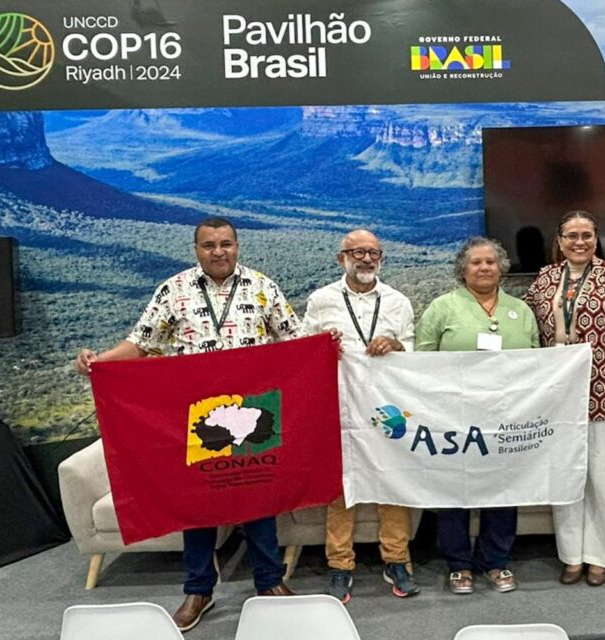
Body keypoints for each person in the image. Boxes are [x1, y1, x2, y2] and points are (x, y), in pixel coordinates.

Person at [74, 217, 301, 632]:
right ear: (196, 250)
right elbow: (141, 344)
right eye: (209, 245)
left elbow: (296, 340)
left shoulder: (263, 287)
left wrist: (328, 348)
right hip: (197, 414)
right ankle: (198, 590)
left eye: (226, 244)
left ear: (238, 246)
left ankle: (269, 581)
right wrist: (99, 362)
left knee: (258, 496)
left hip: (252, 411)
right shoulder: (173, 290)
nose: (219, 252)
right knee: (197, 502)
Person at [525, 210, 605, 587]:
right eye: (571, 236)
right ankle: (572, 554)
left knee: (602, 480)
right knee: (565, 479)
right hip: (557, 398)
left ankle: (603, 555)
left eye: (587, 236)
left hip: (604, 395)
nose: (579, 242)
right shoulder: (544, 279)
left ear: (596, 239)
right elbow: (526, 326)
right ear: (559, 241)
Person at [416, 236, 539, 595]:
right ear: (463, 269)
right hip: (455, 418)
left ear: (501, 267)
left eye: (490, 261)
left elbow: (538, 362)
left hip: (508, 418)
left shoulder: (521, 310)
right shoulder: (442, 308)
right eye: (476, 262)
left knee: (502, 490)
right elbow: (420, 364)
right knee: (455, 491)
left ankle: (496, 562)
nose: (484, 267)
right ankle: (458, 564)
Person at [302, 229, 419, 603]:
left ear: (381, 259)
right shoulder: (321, 301)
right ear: (342, 259)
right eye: (357, 253)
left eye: (374, 253)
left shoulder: (398, 302)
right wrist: (323, 348)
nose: (366, 259)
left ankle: (397, 560)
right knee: (341, 489)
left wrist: (397, 345)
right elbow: (303, 350)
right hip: (339, 406)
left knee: (392, 484)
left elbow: (414, 351)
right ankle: (340, 565)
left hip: (387, 408)